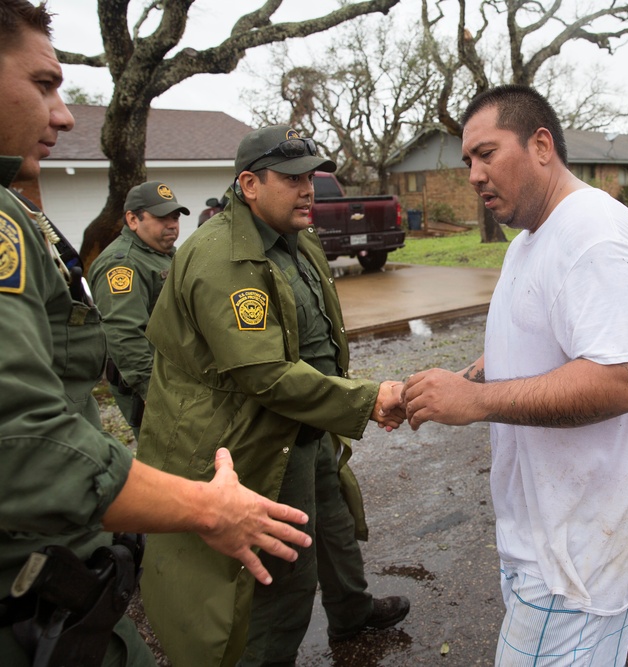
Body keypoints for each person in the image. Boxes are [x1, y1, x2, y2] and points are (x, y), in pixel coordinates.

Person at [0, 4, 311, 665]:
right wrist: (198, 503)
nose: (62, 113)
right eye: (44, 84)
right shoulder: (78, 251)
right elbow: (26, 436)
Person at [402, 85, 628, 666]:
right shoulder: (531, 239)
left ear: (541, 145)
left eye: (487, 153)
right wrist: (464, 381)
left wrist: (476, 403)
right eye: (468, 159)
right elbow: (535, 343)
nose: (474, 173)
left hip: (579, 546)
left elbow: (626, 378)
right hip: (546, 532)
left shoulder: (595, 236)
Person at [136, 124, 409, 666]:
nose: (308, 189)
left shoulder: (296, 239)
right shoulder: (225, 258)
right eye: (291, 179)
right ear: (249, 184)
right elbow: (262, 374)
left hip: (307, 424)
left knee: (332, 527)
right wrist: (367, 400)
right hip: (254, 437)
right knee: (278, 583)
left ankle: (351, 613)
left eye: (311, 176)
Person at [89, 181, 188, 437]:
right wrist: (151, 391)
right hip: (152, 386)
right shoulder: (122, 264)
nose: (172, 224)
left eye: (175, 217)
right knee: (166, 460)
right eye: (161, 217)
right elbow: (124, 334)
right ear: (133, 219)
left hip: (176, 378)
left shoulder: (161, 255)